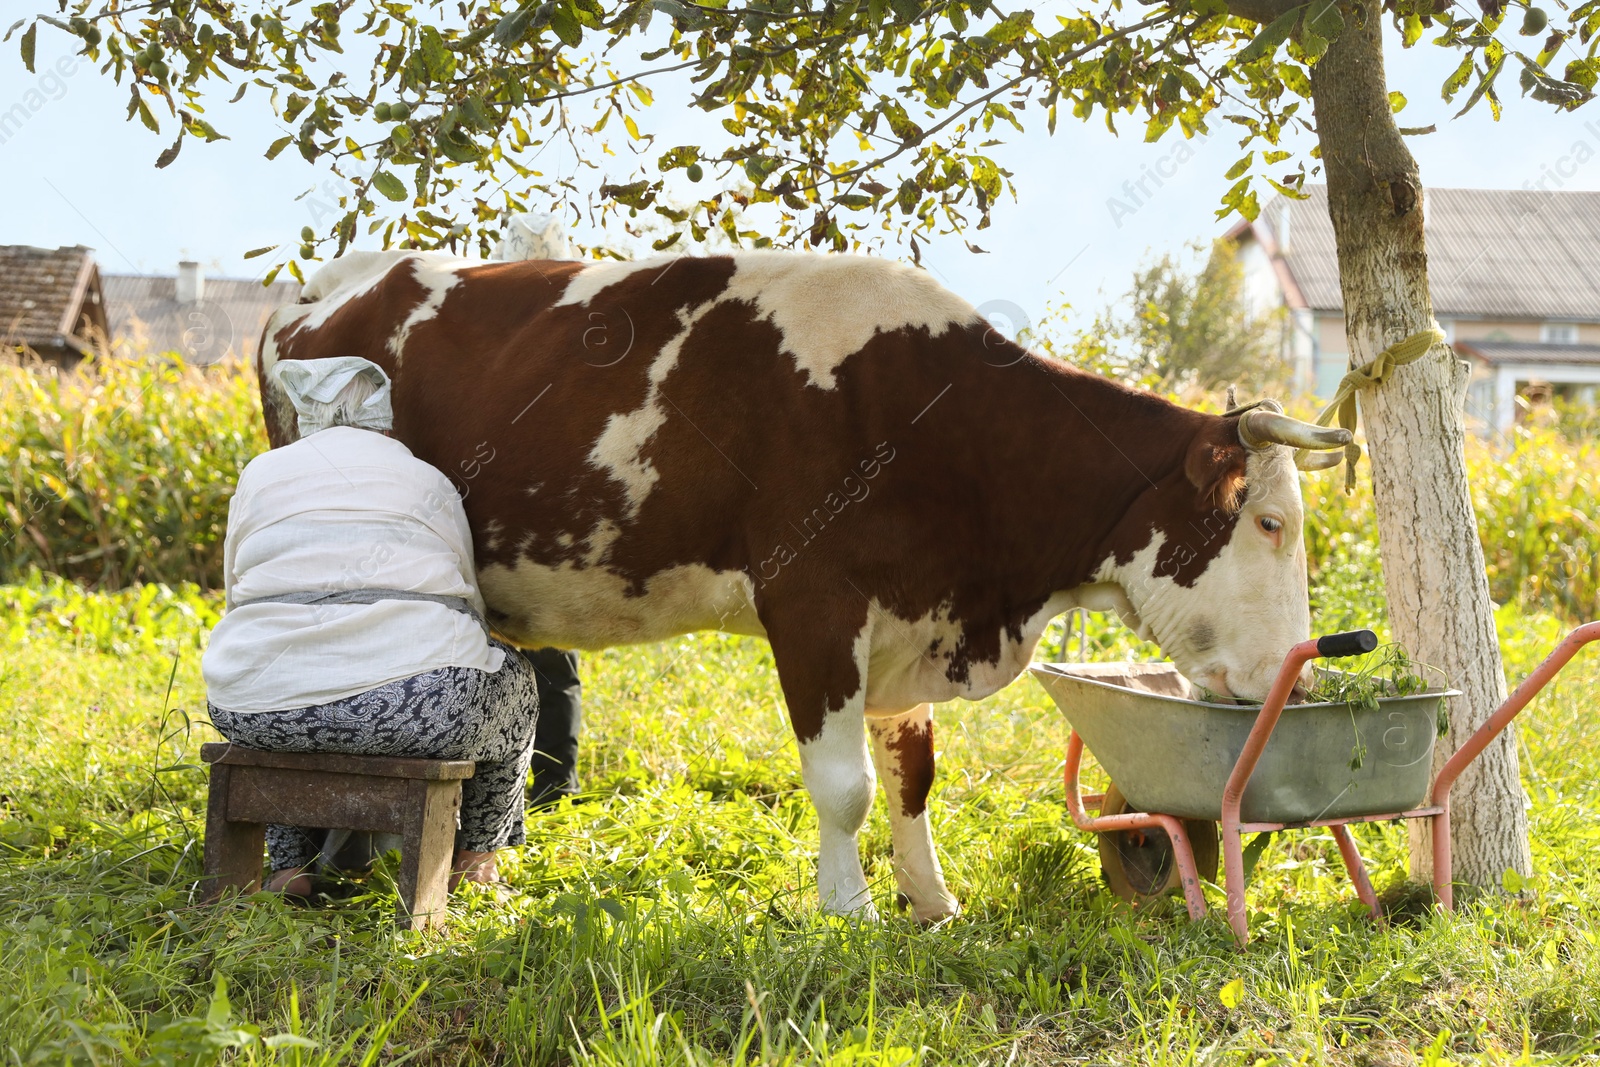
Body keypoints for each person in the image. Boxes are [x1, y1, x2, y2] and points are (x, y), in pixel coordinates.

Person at [202, 356, 539, 896]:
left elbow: (236, 591)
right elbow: (467, 600)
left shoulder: (260, 473)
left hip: (251, 708)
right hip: (414, 710)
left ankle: (291, 870)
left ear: (306, 418)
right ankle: (476, 864)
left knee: (294, 681)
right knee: (518, 687)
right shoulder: (427, 478)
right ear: (384, 419)